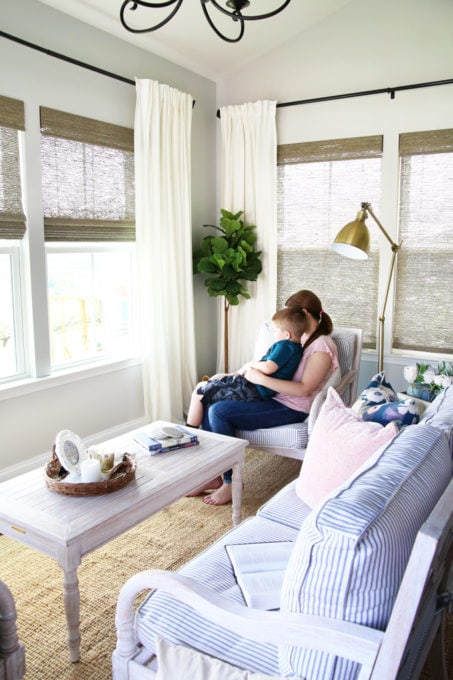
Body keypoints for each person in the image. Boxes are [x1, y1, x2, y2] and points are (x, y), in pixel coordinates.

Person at [197, 290, 340, 506]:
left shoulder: (321, 346)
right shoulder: (300, 340)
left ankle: (230, 482)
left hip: (290, 407)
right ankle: (213, 474)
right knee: (212, 399)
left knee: (219, 412)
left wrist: (260, 379)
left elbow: (303, 389)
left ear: (303, 313)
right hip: (271, 397)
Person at [186, 307, 307, 428]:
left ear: (287, 335)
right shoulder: (296, 349)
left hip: (251, 388)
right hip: (253, 388)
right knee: (209, 388)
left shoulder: (285, 346)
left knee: (200, 391)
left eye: (275, 331)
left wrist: (250, 364)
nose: (274, 334)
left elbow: (269, 367)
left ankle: (190, 434)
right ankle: (203, 436)